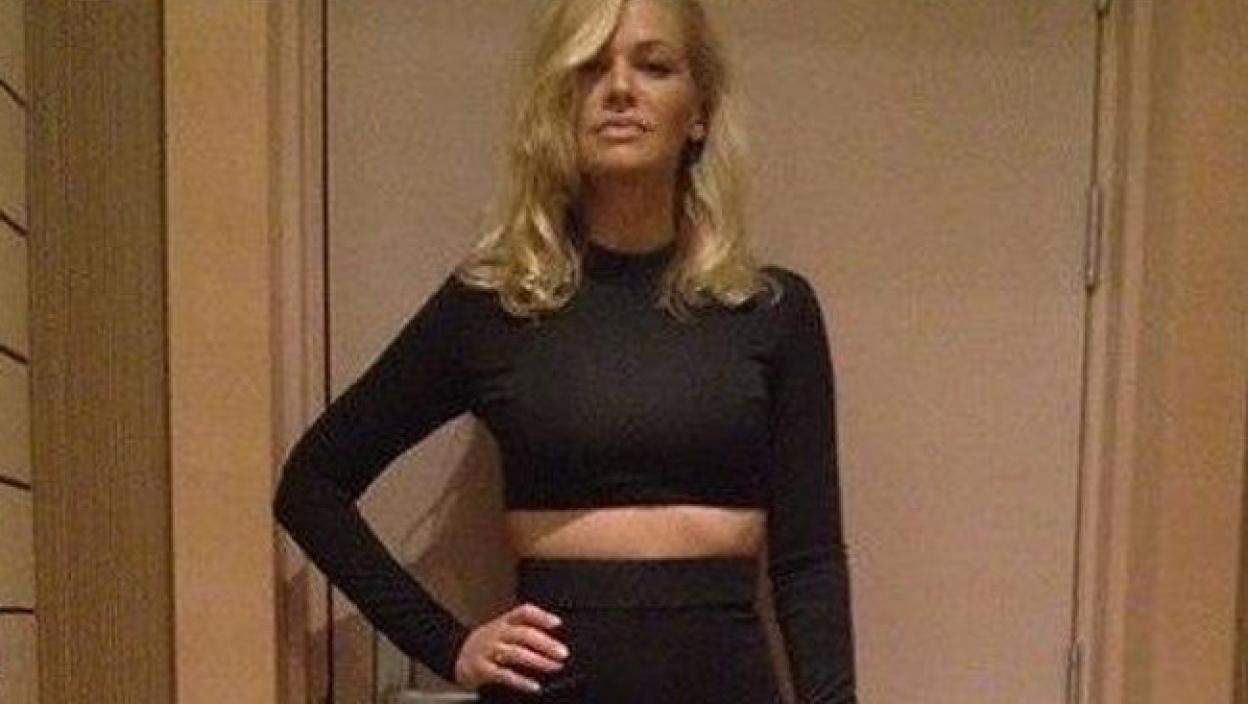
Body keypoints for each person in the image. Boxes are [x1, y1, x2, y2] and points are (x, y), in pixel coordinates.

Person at [271, 0, 857, 701]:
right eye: (588, 68)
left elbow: (809, 561)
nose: (620, 89)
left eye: (654, 66)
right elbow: (312, 486)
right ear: (558, 105)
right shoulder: (496, 304)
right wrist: (446, 643)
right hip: (554, 684)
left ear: (698, 111)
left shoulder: (771, 309)